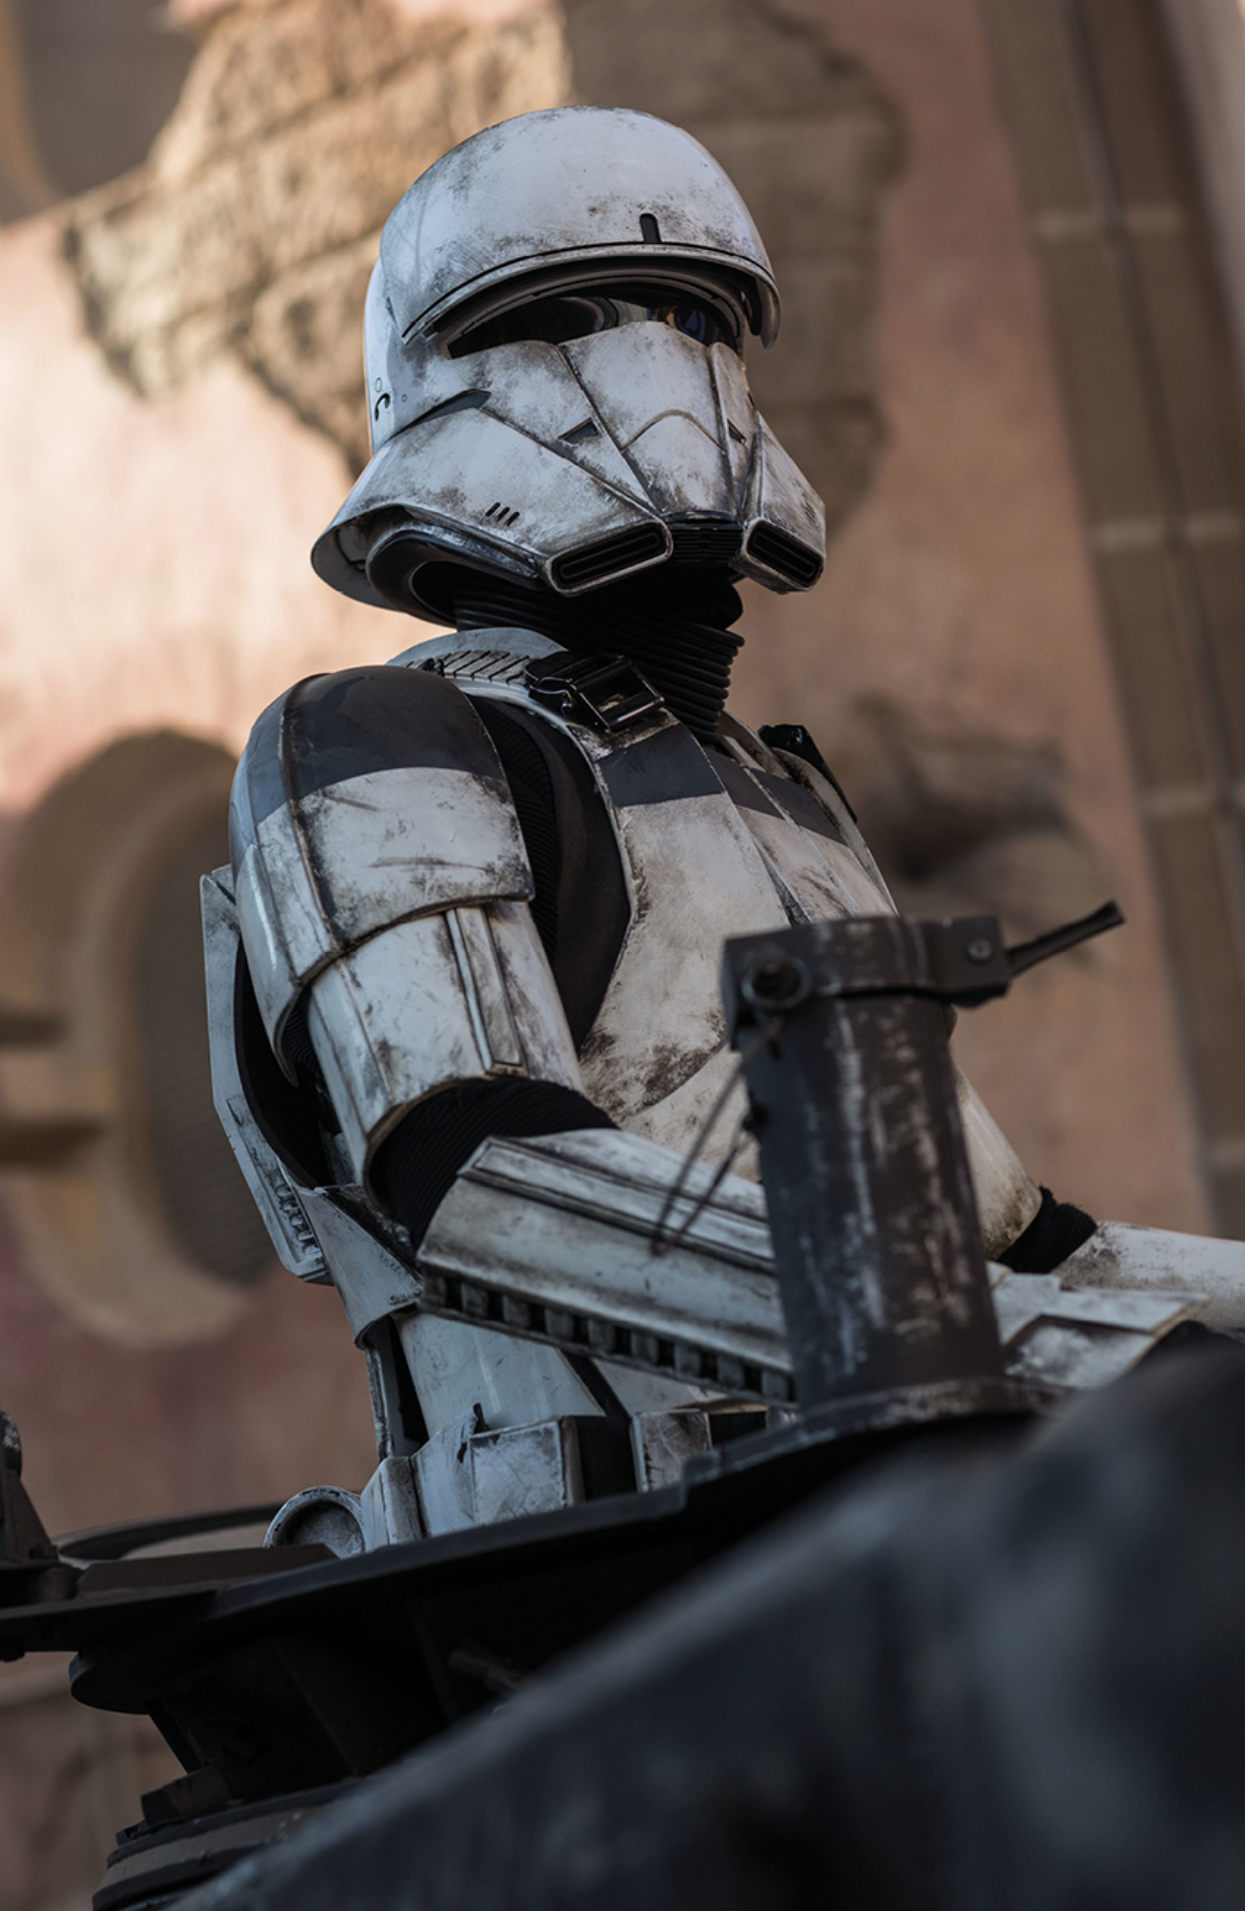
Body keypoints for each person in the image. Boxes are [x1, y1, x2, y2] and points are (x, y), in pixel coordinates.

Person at [209, 107, 1206, 1541]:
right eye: (570, 312)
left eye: (698, 313)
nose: (663, 361)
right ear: (445, 367)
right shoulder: (366, 742)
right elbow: (485, 1175)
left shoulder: (781, 788)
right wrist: (1029, 1352)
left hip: (918, 1492)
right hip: (589, 1561)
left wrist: (1168, 1324)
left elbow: (1010, 1230)